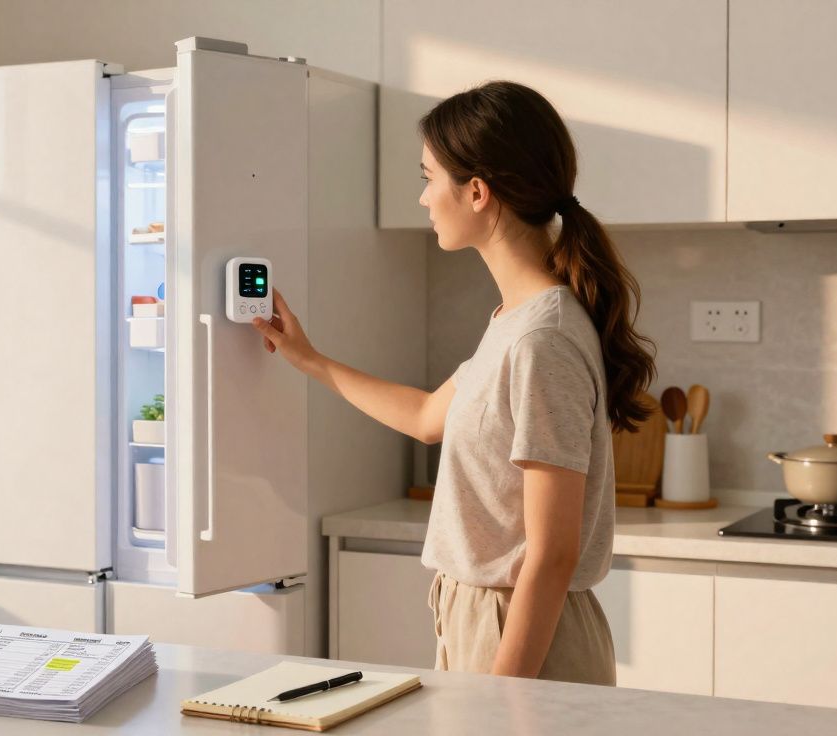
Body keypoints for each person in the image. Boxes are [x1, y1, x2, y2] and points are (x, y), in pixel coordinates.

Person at [251, 81, 657, 685]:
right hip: (485, 618)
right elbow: (425, 416)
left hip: (520, 633)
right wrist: (309, 359)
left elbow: (551, 554)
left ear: (476, 191)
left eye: (427, 177)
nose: (422, 198)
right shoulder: (515, 322)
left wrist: (499, 695)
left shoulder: (539, 341)